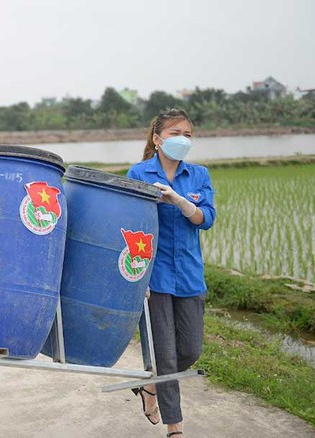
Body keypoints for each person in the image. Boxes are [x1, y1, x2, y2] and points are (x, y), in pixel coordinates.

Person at [127, 108, 216, 438]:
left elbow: (206, 218)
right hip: (156, 277)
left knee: (190, 350)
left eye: (188, 135)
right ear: (157, 139)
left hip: (190, 276)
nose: (183, 140)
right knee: (164, 354)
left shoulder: (199, 176)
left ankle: (149, 388)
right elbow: (131, 227)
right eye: (176, 133)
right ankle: (174, 428)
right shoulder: (139, 173)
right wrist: (139, 275)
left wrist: (180, 201)